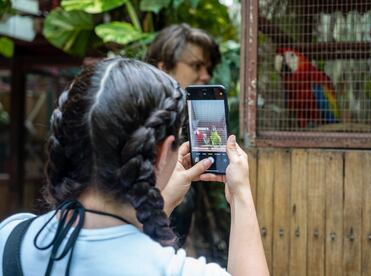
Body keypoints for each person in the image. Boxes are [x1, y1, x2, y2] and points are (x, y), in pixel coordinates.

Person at [0, 58, 268, 276]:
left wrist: (161, 203)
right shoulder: (175, 271)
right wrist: (241, 195)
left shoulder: (11, 238)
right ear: (161, 153)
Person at [145, 23, 221, 248]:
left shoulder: (194, 117)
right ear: (164, 68)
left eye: (208, 68)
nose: (205, 76)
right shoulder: (139, 120)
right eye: (196, 66)